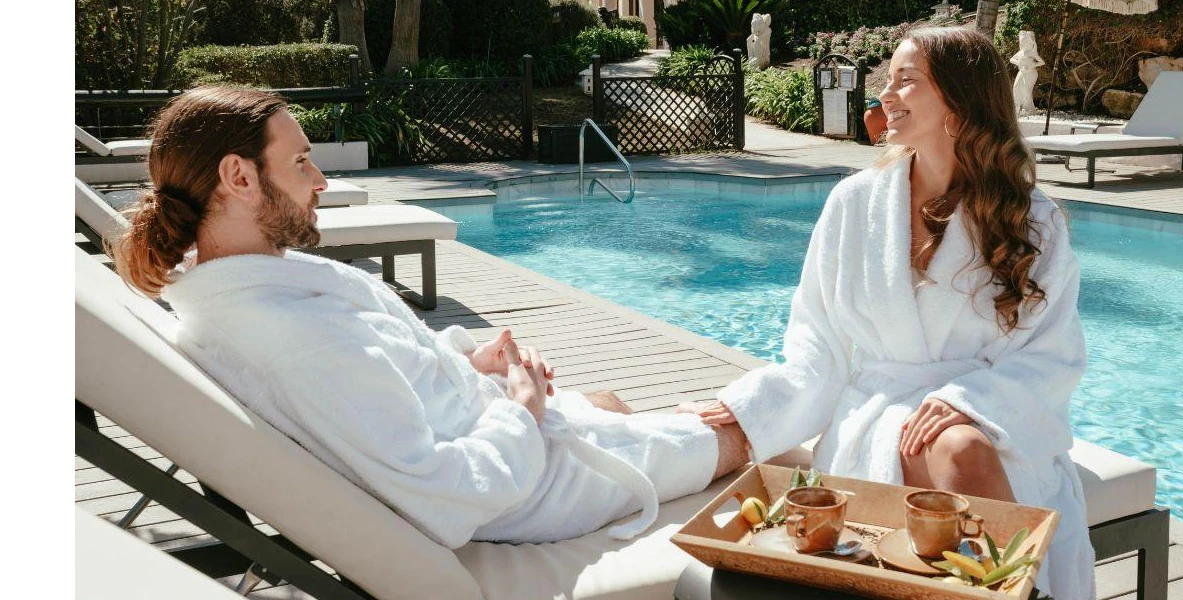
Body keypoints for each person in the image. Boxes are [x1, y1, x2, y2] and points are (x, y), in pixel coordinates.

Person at [111, 85, 750, 548]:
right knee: (743, 435)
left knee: (610, 401)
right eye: (301, 161)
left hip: (490, 432)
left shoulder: (248, 294)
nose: (320, 180)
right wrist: (522, 411)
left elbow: (381, 379)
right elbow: (449, 496)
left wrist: (471, 362)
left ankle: (662, 429)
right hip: (528, 491)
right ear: (238, 176)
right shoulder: (294, 337)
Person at [678, 27, 1094, 599]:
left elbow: (1054, 354)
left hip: (995, 418)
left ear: (960, 100)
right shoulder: (855, 204)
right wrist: (751, 405)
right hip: (879, 413)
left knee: (961, 443)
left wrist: (968, 401)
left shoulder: (1031, 220)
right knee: (954, 447)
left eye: (906, 81)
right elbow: (816, 337)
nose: (885, 96)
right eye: (887, 81)